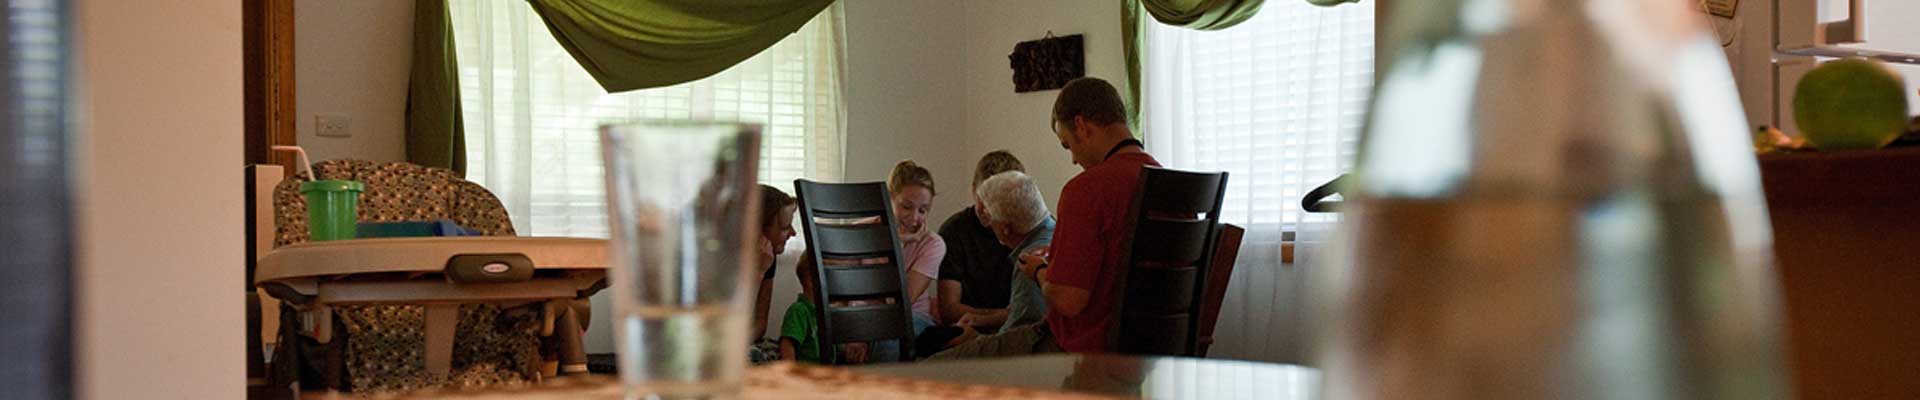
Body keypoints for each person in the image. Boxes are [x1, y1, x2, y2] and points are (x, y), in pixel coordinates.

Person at [932, 77, 1158, 358]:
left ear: (1081, 126)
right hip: (1147, 349)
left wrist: (1038, 270)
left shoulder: (1086, 189)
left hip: (1080, 348)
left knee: (933, 368)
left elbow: (1068, 300)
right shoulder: (1169, 183)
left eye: (1067, 145)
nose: (1074, 159)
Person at [918, 170, 1053, 357]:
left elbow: (1018, 340)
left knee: (931, 365)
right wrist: (983, 320)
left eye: (990, 218)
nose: (988, 224)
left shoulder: (1030, 259)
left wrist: (974, 339)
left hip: (1026, 353)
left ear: (1005, 228)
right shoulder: (1053, 231)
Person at [936, 151, 1028, 327]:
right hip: (968, 326)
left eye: (998, 199)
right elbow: (948, 310)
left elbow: (1037, 310)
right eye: (983, 197)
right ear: (973, 189)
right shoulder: (954, 231)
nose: (988, 209)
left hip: (1017, 327)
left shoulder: (1030, 231)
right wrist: (1002, 315)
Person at [887, 160, 947, 334]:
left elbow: (904, 299)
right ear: (890, 198)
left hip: (911, 317)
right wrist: (898, 238)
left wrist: (900, 242)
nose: (914, 218)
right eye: (906, 207)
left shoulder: (933, 244)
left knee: (889, 328)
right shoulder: (867, 230)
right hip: (865, 315)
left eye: (923, 210)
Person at [749, 185, 797, 363]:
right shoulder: (728, 260)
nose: (793, 233)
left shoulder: (770, 257)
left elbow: (760, 322)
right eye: (785, 227)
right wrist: (758, 272)